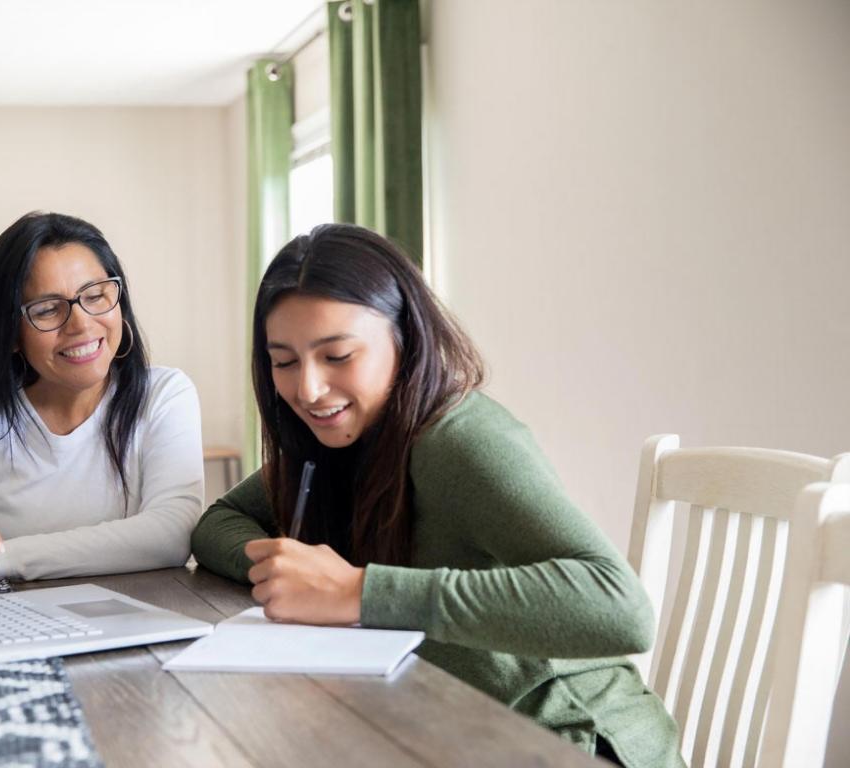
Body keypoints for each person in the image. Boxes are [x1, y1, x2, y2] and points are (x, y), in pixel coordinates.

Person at [190, 223, 682, 768]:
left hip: (568, 736)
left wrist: (359, 591)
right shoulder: (335, 441)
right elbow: (220, 521)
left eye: (337, 356)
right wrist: (285, 570)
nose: (307, 389)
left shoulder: (460, 440)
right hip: (443, 726)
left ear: (404, 340)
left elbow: (621, 608)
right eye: (284, 361)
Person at [0, 212, 203, 585]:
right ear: (11, 333)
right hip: (13, 629)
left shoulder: (163, 396)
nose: (81, 324)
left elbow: (170, 536)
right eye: (48, 309)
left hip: (140, 622)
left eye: (95, 295)